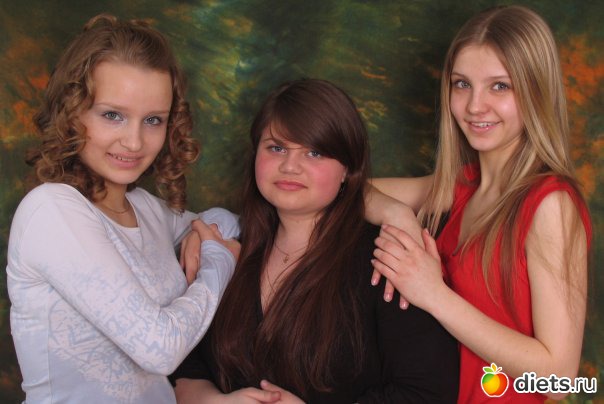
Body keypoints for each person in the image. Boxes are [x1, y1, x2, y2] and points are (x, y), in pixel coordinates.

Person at [170, 78, 459, 403]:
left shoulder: (387, 259)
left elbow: (428, 392)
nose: (290, 166)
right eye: (276, 148)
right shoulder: (230, 249)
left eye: (314, 152)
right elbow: (183, 368)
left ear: (347, 169)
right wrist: (217, 402)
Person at [6, 14, 240, 404]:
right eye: (112, 115)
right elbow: (160, 348)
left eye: (153, 120)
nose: (134, 142)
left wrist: (204, 234)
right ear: (72, 112)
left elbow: (226, 221)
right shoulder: (51, 210)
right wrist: (219, 261)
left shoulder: (144, 208)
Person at [368, 5, 592, 403]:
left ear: (537, 91)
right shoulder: (461, 186)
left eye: (500, 86)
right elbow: (344, 190)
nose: (474, 106)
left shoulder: (550, 204)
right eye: (462, 84)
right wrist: (397, 213)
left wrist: (433, 294)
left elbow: (559, 377)